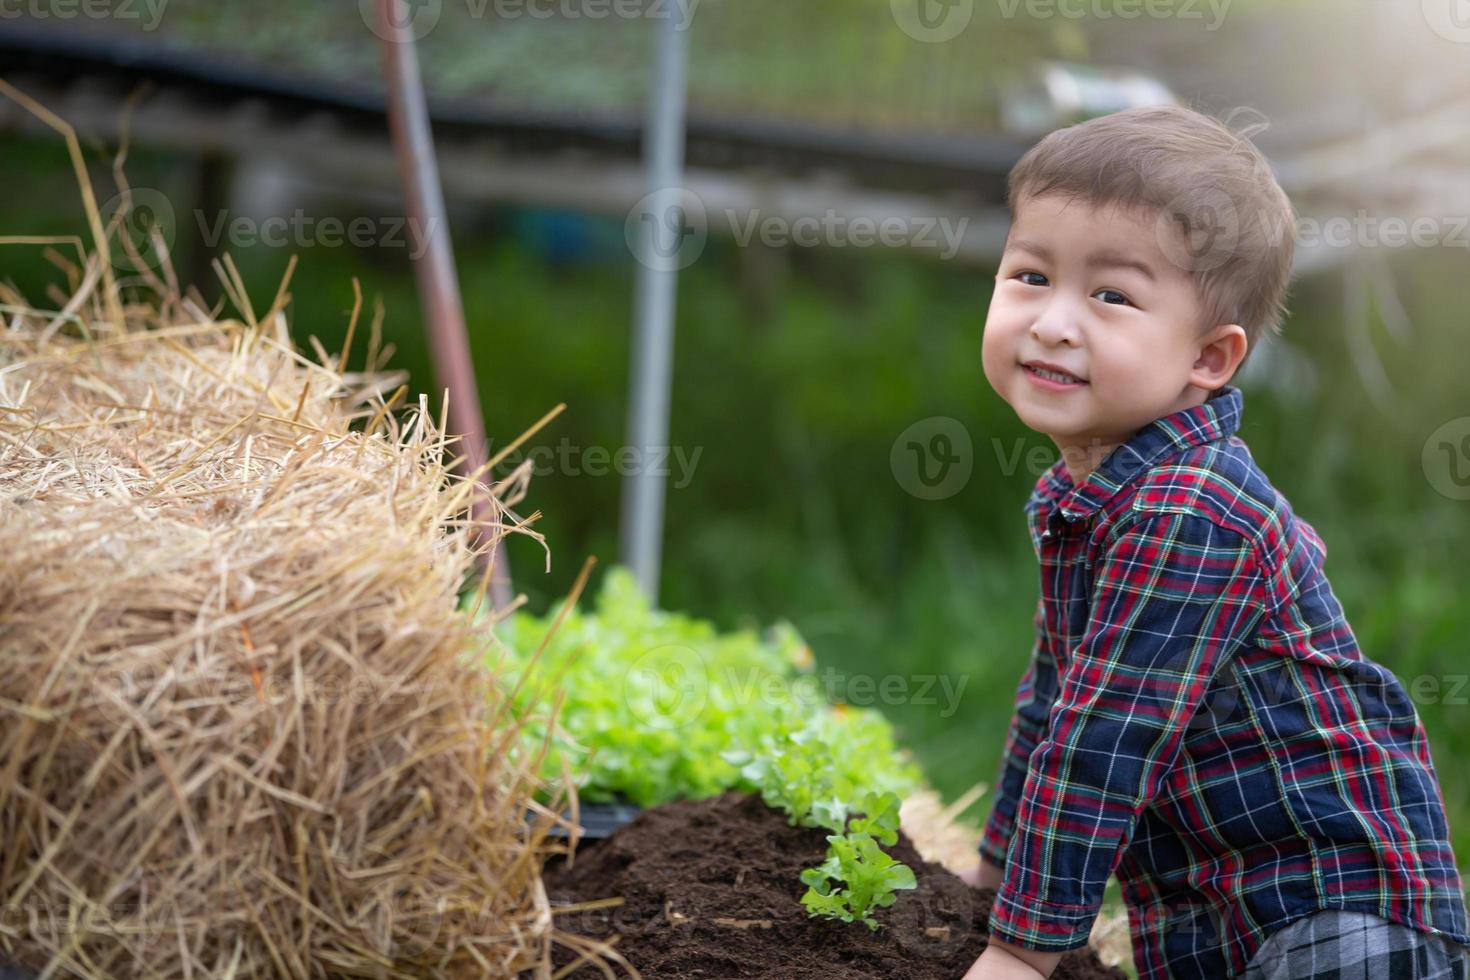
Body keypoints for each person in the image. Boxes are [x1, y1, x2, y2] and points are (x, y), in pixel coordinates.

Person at [957, 104, 1470, 979]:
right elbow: (1052, 706)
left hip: (1334, 920)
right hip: (1231, 924)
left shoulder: (1193, 505)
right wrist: (989, 879)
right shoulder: (1080, 500)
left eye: (1111, 296)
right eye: (1031, 275)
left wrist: (1018, 951)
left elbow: (1104, 740)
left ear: (1210, 358)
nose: (1051, 322)